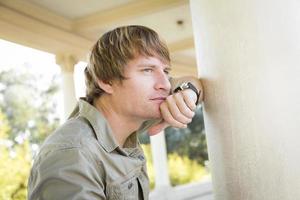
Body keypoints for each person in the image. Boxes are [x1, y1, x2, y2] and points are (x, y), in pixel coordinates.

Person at [28, 25, 204, 200]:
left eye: (165, 71)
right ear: (107, 81)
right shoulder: (73, 156)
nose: (165, 84)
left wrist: (188, 92)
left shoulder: (127, 116)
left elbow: (194, 82)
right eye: (147, 70)